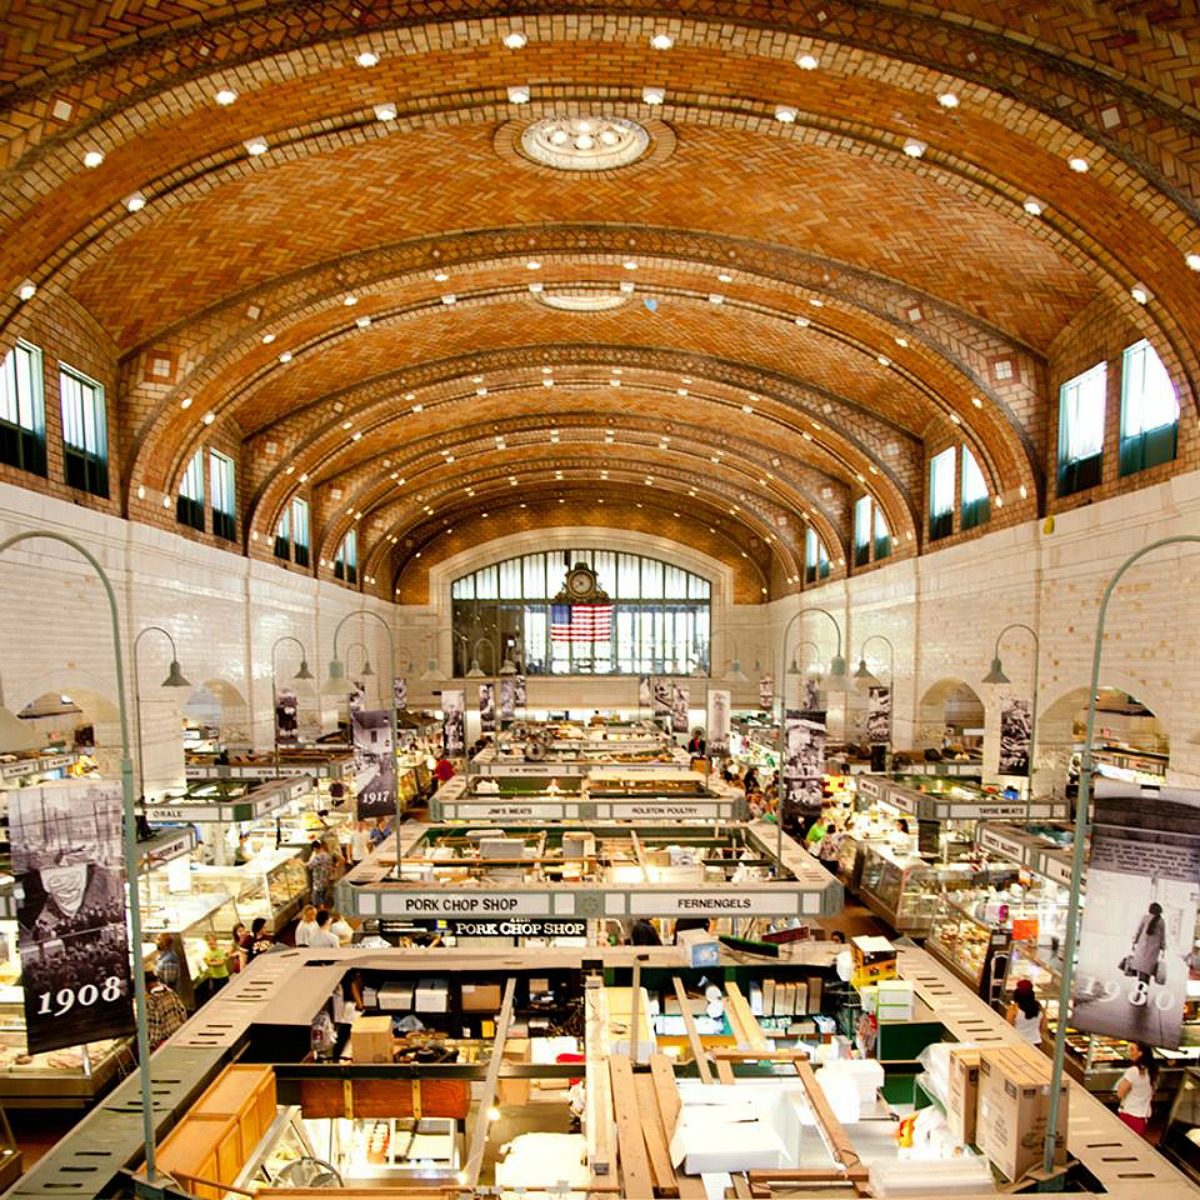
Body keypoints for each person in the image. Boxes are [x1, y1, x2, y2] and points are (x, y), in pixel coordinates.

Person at [1126, 902, 1167, 1006]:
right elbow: (1162, 937)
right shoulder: (1161, 921)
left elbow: (1138, 931)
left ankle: (1140, 989)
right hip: (1154, 950)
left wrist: (1134, 942)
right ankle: (1144, 990)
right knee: (1148, 971)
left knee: (1141, 970)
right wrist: (1163, 949)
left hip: (1142, 947)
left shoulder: (1145, 918)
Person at [1116, 1042, 1156, 1136]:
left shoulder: (1133, 1071)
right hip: (1142, 1117)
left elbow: (1120, 1093)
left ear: (1140, 1053)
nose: (1129, 1052)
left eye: (1132, 1050)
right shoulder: (1152, 1071)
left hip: (1129, 1114)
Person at [145, 970, 188, 1050]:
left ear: (146, 985)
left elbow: (155, 1028)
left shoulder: (152, 1001)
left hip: (166, 1042)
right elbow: (182, 1011)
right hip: (179, 1035)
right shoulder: (170, 992)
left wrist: (152, 1045)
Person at [1005, 979, 1045, 1045]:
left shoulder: (1014, 1008)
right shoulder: (1040, 1008)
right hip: (1036, 1041)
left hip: (1018, 1041)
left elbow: (1009, 1026)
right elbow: (1043, 1027)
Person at [201, 931, 231, 1000]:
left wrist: (211, 963)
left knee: (226, 991)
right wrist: (210, 962)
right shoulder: (207, 953)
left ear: (215, 942)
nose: (211, 945)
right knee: (217, 993)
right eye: (209, 944)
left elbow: (221, 962)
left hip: (223, 976)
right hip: (214, 976)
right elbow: (206, 961)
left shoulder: (219, 951)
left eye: (212, 943)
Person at [308, 841, 334, 909]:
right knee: (323, 898)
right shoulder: (327, 855)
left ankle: (322, 912)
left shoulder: (317, 857)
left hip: (318, 882)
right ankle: (324, 911)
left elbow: (310, 866)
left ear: (314, 848)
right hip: (326, 880)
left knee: (319, 901)